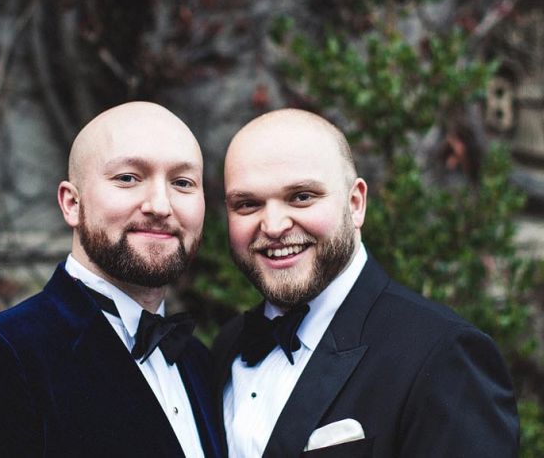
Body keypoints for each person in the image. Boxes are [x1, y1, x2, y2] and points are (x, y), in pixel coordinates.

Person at [213, 109, 519, 457]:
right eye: (247, 204)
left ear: (355, 204)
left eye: (301, 196)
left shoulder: (444, 355)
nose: (273, 225)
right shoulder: (226, 346)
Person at [0, 101, 222, 457]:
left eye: (182, 182)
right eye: (128, 178)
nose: (160, 205)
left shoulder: (199, 361)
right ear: (71, 203)